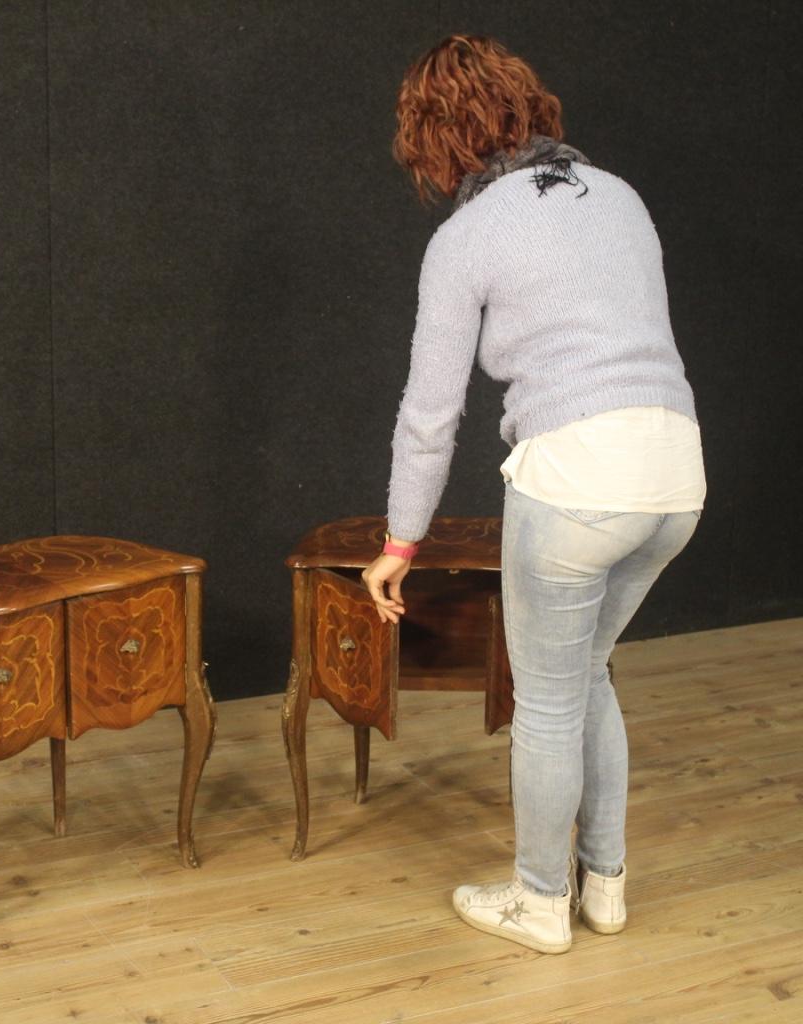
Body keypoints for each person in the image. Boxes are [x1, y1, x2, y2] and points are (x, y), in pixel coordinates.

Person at [362, 34, 706, 955]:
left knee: (546, 702)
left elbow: (431, 415)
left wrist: (401, 542)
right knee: (587, 674)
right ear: (526, 105)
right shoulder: (624, 198)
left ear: (435, 140)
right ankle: (606, 886)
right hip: (677, 475)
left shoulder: (466, 237)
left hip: (576, 481)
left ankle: (538, 900)